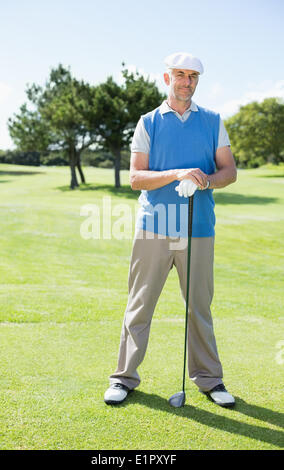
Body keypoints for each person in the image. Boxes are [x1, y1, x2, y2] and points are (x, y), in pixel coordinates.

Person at [104, 52, 237, 407]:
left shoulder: (212, 121)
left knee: (199, 308)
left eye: (193, 76)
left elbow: (229, 171)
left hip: (199, 229)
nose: (186, 81)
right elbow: (136, 177)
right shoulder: (148, 122)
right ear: (167, 79)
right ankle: (123, 378)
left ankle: (210, 380)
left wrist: (204, 181)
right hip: (154, 228)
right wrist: (178, 173)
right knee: (140, 305)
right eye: (180, 74)